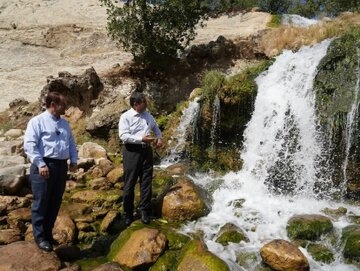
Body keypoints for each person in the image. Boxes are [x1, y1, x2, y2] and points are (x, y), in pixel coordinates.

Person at [24, 92, 77, 252]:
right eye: (63, 104)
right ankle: (39, 238)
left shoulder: (65, 124)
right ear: (53, 104)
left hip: (61, 166)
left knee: (55, 202)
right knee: (41, 203)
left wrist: (73, 160)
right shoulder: (37, 121)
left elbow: (71, 143)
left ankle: (47, 235)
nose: (66, 107)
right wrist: (40, 164)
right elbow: (29, 145)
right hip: (44, 166)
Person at [119, 92, 163, 226]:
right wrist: (140, 139)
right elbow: (123, 136)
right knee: (129, 185)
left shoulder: (148, 115)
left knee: (146, 183)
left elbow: (156, 128)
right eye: (144, 102)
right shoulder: (125, 117)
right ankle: (128, 213)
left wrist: (159, 138)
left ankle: (144, 210)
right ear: (136, 104)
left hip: (146, 152)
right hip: (131, 151)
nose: (147, 104)